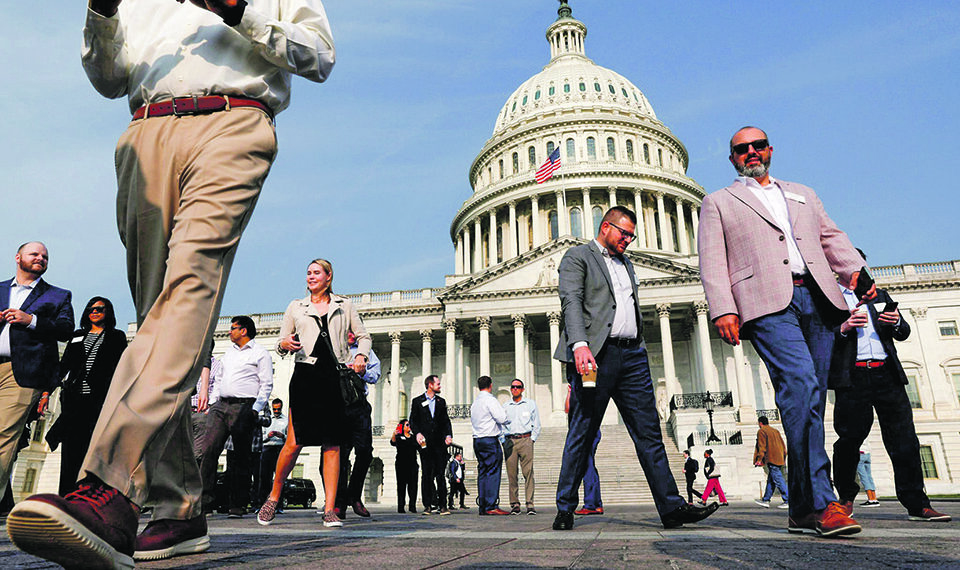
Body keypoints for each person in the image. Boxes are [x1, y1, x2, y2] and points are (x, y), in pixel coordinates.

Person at [7, 1, 337, 566]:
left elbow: (318, 55)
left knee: (185, 297)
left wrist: (240, 10)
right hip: (144, 132)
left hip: (232, 121)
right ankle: (180, 507)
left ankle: (109, 484)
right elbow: (108, 79)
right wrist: (102, 13)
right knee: (161, 323)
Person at [698, 126, 875, 538]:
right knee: (800, 384)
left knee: (809, 401)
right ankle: (822, 502)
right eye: (742, 149)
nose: (751, 153)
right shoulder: (719, 201)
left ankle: (799, 510)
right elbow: (712, 260)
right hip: (765, 304)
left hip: (817, 297)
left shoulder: (803, 193)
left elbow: (831, 237)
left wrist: (858, 275)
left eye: (758, 145)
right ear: (733, 159)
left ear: (770, 150)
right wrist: (723, 308)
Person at [552, 206, 718, 531]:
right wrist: (579, 344)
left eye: (632, 235)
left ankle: (672, 508)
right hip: (593, 357)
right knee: (582, 432)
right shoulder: (578, 257)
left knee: (650, 433)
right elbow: (570, 301)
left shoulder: (627, 263)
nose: (628, 240)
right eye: (624, 233)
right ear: (605, 226)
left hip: (632, 358)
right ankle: (565, 507)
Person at [830, 264, 951, 522]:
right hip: (853, 377)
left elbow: (904, 331)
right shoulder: (830, 298)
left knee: (904, 440)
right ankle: (845, 499)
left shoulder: (881, 296)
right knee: (849, 440)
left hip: (887, 374)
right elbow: (822, 337)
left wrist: (896, 322)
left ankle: (918, 504)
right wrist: (844, 327)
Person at [257, 259, 370, 529]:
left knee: (333, 444)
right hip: (306, 376)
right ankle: (273, 497)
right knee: (294, 442)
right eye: (308, 272)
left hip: (335, 377)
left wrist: (362, 355)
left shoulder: (345, 305)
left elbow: (363, 336)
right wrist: (284, 344)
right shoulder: (296, 306)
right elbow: (282, 342)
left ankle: (330, 508)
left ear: (329, 277)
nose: (311, 276)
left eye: (316, 272)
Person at [0, 242, 74, 503]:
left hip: (21, 373)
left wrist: (30, 320)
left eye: (45, 256)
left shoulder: (58, 295)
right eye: (35, 254)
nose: (41, 258)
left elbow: (66, 329)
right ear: (18, 257)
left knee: (4, 436)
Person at [45, 297, 127, 496]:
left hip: (100, 400)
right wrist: (47, 392)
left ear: (108, 312)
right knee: (71, 448)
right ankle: (66, 494)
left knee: (95, 447)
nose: (95, 312)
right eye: (91, 309)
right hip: (74, 399)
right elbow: (63, 366)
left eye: (100, 309)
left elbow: (122, 368)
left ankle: (89, 493)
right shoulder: (77, 335)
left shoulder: (116, 336)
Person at [198, 316, 273, 518]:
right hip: (221, 405)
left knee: (241, 456)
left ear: (244, 331)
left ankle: (238, 504)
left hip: (244, 406)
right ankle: (204, 503)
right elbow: (220, 377)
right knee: (208, 450)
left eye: (233, 328)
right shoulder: (228, 354)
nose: (229, 332)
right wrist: (213, 402)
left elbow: (266, 384)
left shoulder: (260, 353)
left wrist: (256, 409)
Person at [331, 330, 381, 519]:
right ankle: (339, 503)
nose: (351, 334)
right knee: (341, 456)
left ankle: (355, 495)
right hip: (338, 407)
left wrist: (362, 370)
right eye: (347, 330)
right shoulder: (334, 349)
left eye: (353, 331)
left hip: (359, 406)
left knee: (365, 452)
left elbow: (375, 375)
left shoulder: (365, 351)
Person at [410, 374, 454, 515]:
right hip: (425, 443)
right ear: (430, 385)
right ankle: (428, 505)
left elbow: (446, 421)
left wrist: (448, 435)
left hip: (439, 443)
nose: (440, 386)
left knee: (440, 474)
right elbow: (413, 420)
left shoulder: (441, 402)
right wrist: (417, 433)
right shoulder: (417, 401)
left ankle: (443, 505)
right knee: (427, 475)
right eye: (438, 384)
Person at [470, 375, 511, 516]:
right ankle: (491, 505)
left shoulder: (475, 403)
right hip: (489, 439)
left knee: (483, 472)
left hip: (477, 440)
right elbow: (502, 418)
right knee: (493, 471)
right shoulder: (490, 400)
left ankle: (483, 505)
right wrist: (507, 419)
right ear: (491, 385)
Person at [502, 378, 541, 515]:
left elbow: (536, 423)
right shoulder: (505, 406)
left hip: (525, 439)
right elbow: (500, 424)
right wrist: (503, 440)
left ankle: (530, 503)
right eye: (513, 387)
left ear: (522, 389)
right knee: (512, 474)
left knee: (528, 473)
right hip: (510, 441)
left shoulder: (530, 404)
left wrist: (532, 439)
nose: (515, 389)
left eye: (518, 387)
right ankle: (515, 504)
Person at [565, 385, 603, 516]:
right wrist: (570, 392)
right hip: (585, 431)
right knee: (589, 466)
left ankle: (591, 504)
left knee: (587, 467)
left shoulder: (589, 392)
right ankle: (596, 504)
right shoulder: (577, 393)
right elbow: (567, 408)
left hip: (587, 431)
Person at [192, 341, 222, 463]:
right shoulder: (192, 363)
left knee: (197, 455)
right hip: (185, 412)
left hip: (202, 414)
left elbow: (219, 389)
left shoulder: (218, 365)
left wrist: (210, 408)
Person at [754, 416, 789, 509]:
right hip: (779, 458)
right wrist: (783, 457)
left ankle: (788, 499)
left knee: (778, 479)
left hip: (771, 458)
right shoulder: (775, 431)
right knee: (771, 480)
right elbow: (783, 445)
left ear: (760, 423)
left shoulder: (762, 431)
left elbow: (762, 447)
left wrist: (759, 459)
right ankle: (766, 499)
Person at [258, 399, 287, 508]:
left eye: (278, 409)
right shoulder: (267, 420)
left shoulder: (286, 420)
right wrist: (268, 436)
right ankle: (262, 503)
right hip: (267, 447)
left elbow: (289, 439)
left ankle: (279, 506)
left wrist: (282, 436)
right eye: (274, 409)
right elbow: (261, 437)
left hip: (280, 448)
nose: (276, 411)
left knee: (280, 477)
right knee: (265, 477)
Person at [390, 419, 419, 513]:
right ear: (402, 426)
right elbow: (393, 442)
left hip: (412, 464)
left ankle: (412, 506)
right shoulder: (399, 437)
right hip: (401, 464)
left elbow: (422, 447)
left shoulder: (413, 437)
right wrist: (394, 434)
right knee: (401, 486)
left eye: (409, 424)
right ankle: (401, 507)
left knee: (413, 486)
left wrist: (422, 441)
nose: (409, 426)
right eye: (407, 425)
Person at [855, 442, 878, 507]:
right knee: (869, 477)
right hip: (867, 454)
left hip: (860, 453)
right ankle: (874, 499)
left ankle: (870, 499)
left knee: (864, 477)